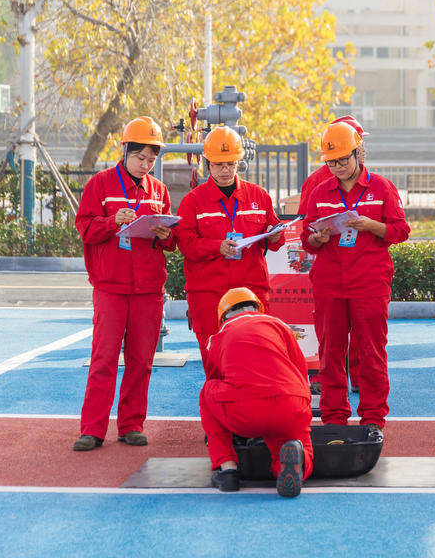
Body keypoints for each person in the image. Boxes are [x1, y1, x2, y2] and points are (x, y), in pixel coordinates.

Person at [300, 121, 410, 442]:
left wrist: (370, 225)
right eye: (331, 162)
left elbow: (400, 231)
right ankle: (334, 417)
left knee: (371, 350)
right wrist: (318, 238)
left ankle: (373, 417)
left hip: (369, 282)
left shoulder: (381, 188)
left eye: (343, 160)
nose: (337, 167)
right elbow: (308, 240)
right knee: (330, 352)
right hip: (329, 283)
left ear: (358, 153)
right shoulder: (321, 192)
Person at [73, 116, 177, 451]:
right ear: (125, 151)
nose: (146, 165)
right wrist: (110, 221)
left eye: (152, 160)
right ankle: (92, 428)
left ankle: (132, 424)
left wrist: (165, 235)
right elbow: (85, 227)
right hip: (111, 287)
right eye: (140, 158)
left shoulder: (158, 191)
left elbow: (170, 240)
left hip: (148, 289)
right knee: (103, 358)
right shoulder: (100, 185)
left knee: (141, 360)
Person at [174, 126, 284, 357]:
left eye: (230, 164)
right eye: (218, 164)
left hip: (252, 292)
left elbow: (275, 238)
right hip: (209, 294)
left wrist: (275, 235)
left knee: (256, 357)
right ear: (207, 164)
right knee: (215, 358)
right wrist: (217, 247)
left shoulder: (258, 196)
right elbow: (185, 243)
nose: (225, 170)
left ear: (238, 162)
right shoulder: (193, 201)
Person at [199, 287, 313, 498]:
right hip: (290, 404)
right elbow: (300, 370)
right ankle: (295, 463)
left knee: (207, 393)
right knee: (295, 445)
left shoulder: (218, 337)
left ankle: (227, 469)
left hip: (247, 411)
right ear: (258, 308)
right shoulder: (280, 326)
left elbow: (215, 378)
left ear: (223, 316)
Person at [299, 116, 367, 395]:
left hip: (361, 269)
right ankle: (327, 383)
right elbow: (306, 224)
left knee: (364, 335)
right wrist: (318, 237)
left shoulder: (367, 177)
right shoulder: (318, 181)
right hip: (328, 265)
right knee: (330, 335)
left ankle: (359, 379)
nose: (362, 148)